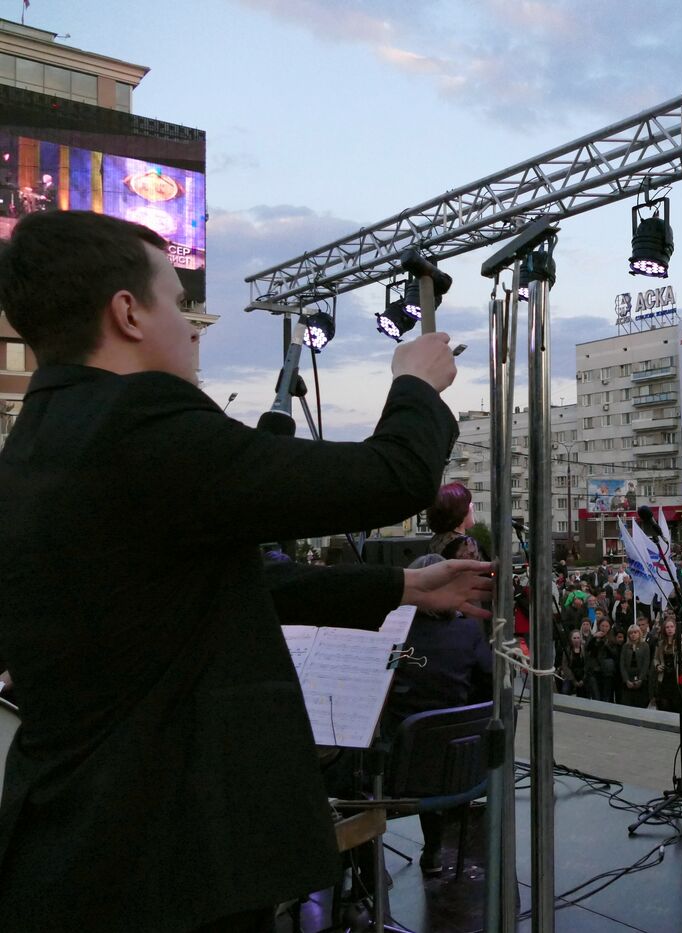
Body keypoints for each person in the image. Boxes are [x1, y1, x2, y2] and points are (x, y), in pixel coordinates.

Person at [0, 211, 496, 931]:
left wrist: (402, 585)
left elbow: (216, 584)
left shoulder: (37, 443)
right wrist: (415, 385)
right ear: (128, 313)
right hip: (170, 854)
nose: (194, 326)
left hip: (72, 842)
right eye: (178, 302)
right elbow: (393, 476)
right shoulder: (145, 423)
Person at [381, 553, 495, 875]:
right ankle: (433, 851)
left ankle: (365, 867)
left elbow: (384, 680)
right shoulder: (469, 632)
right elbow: (488, 687)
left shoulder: (398, 633)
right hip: (461, 764)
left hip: (402, 769)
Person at [426, 481, 474, 556]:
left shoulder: (436, 541)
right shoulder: (466, 544)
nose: (472, 505)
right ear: (459, 510)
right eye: (468, 502)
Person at [651, 619, 682, 714]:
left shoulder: (681, 641)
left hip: (677, 676)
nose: (669, 629)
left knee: (677, 703)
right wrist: (657, 666)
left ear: (675, 628)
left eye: (672, 627)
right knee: (664, 704)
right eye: (667, 627)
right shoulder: (660, 643)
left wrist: (681, 641)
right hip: (664, 677)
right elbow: (655, 658)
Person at [619, 625, 652, 709]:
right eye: (631, 633)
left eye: (635, 632)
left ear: (639, 633)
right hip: (628, 679)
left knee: (640, 704)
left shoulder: (645, 646)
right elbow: (622, 664)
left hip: (641, 679)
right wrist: (626, 680)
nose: (633, 634)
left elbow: (646, 663)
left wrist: (640, 679)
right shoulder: (625, 646)